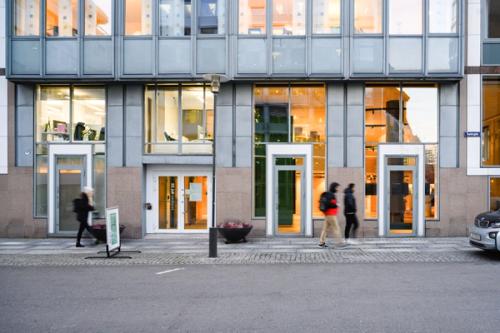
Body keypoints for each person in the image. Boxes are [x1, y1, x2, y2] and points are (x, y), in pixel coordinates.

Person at [319, 182, 345, 248]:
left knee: (325, 229)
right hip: (331, 214)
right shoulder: (331, 195)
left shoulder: (328, 194)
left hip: (327, 214)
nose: (337, 189)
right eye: (337, 187)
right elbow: (331, 204)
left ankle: (322, 242)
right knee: (336, 228)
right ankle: (340, 242)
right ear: (334, 187)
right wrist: (336, 205)